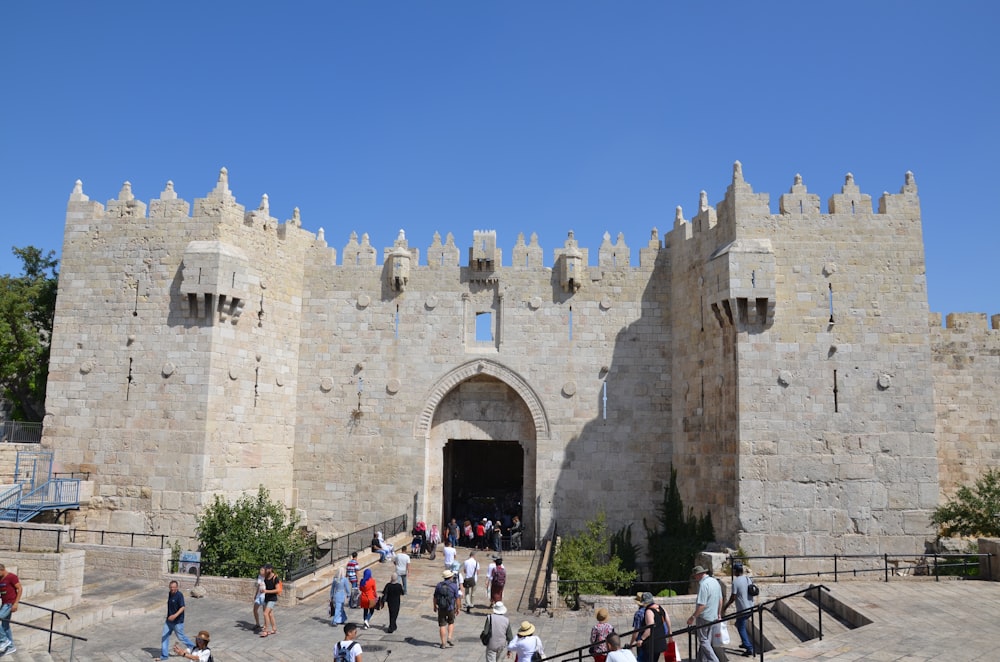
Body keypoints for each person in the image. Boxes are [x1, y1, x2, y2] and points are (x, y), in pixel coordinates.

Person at [687, 565, 722, 662]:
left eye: (695, 576)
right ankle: (701, 660)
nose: (695, 578)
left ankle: (714, 660)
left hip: (704, 616)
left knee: (703, 641)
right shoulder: (715, 581)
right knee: (707, 640)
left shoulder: (703, 585)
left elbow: (702, 605)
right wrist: (718, 614)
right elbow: (720, 599)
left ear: (699, 575)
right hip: (713, 616)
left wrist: (693, 617)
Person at [723, 563, 756, 656]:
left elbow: (733, 597)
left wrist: (725, 607)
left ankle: (749, 648)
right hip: (751, 607)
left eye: (733, 570)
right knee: (739, 624)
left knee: (740, 627)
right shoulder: (748, 579)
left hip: (743, 609)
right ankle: (744, 642)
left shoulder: (736, 582)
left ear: (736, 571)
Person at [157, 580, 194, 661]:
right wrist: (169, 617)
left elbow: (182, 607)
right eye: (171, 587)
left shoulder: (179, 595)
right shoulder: (170, 593)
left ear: (177, 587)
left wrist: (174, 616)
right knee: (164, 636)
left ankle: (193, 647)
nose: (172, 589)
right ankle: (164, 655)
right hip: (169, 621)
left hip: (177, 622)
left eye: (173, 587)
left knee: (181, 637)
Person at [635, 592, 669, 662]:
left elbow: (650, 628)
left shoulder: (649, 611)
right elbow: (668, 621)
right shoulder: (660, 608)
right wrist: (670, 634)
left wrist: (641, 639)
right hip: (660, 640)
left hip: (651, 643)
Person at [433, 569, 461, 649]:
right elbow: (457, 598)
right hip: (450, 607)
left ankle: (443, 643)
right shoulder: (454, 586)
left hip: (441, 608)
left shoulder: (439, 585)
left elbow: (435, 597)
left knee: (442, 625)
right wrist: (458, 608)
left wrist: (434, 606)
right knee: (451, 622)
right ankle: (449, 637)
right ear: (450, 577)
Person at [0, 564, 22, 655]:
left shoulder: (12, 577)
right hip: (4, 604)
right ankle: (11, 646)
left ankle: (4, 640)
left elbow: (20, 589)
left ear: (2, 569)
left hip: (9, 604)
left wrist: (16, 603)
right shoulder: (0, 579)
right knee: (5, 626)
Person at [627, 592, 648, 662]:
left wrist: (631, 644)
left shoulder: (638, 614)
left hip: (641, 641)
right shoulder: (651, 610)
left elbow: (636, 631)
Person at [261, 564, 280, 637]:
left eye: (267, 569)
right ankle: (274, 629)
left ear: (271, 569)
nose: (265, 570)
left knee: (265, 613)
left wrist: (266, 591)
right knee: (270, 614)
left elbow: (277, 589)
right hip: (267, 598)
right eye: (265, 569)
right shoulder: (266, 576)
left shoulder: (275, 578)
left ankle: (266, 630)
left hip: (272, 599)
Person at [252, 564, 266, 633]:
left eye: (262, 570)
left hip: (265, 596)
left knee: (265, 612)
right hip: (259, 595)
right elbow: (258, 586)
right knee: (255, 610)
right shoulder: (260, 577)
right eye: (260, 570)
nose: (260, 571)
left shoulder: (267, 578)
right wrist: (255, 594)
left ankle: (265, 625)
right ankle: (257, 623)